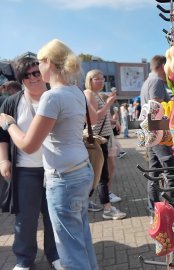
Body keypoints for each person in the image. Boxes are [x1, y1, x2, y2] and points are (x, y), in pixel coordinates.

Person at [0, 39, 98, 270]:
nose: (35, 73)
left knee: (70, 249)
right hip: (80, 169)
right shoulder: (74, 91)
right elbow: (90, 120)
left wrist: (10, 125)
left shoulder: (52, 96)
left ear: (49, 63)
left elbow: (29, 145)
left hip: (64, 177)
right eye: (28, 73)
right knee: (81, 237)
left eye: (39, 65)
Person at [0, 57, 62, 270]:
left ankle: (55, 255)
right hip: (25, 170)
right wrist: (4, 159)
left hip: (55, 169)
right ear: (20, 79)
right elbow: (2, 135)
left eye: (36, 72)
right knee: (25, 218)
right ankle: (24, 259)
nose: (33, 78)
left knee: (54, 216)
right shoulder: (12, 102)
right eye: (26, 76)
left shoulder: (55, 97)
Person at [140, 55, 174, 215]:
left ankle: (154, 210)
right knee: (172, 172)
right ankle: (170, 210)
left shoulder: (147, 82)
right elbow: (156, 110)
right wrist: (166, 135)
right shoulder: (156, 82)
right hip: (157, 131)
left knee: (154, 172)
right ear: (162, 65)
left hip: (150, 131)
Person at [84, 69, 127, 219]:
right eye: (97, 79)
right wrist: (108, 104)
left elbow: (100, 118)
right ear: (90, 80)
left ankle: (88, 201)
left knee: (99, 173)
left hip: (103, 138)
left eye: (102, 78)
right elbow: (94, 118)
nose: (101, 81)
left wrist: (112, 122)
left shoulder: (95, 95)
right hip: (97, 138)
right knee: (102, 174)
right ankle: (107, 209)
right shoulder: (89, 94)